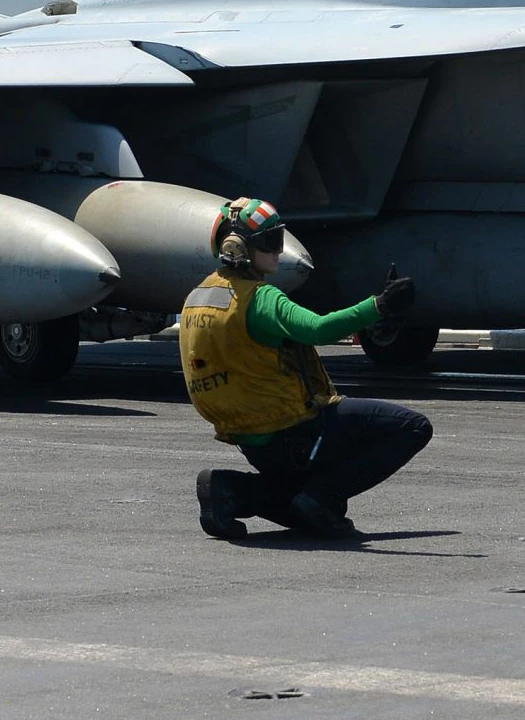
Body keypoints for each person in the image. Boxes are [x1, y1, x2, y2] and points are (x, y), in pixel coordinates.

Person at [180, 198, 428, 540]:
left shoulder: (198, 296)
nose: (279, 253)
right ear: (240, 247)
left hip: (251, 440)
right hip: (294, 428)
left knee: (301, 508)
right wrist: (380, 306)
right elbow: (318, 329)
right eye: (272, 242)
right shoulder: (260, 298)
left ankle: (229, 488)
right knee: (413, 427)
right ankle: (321, 495)